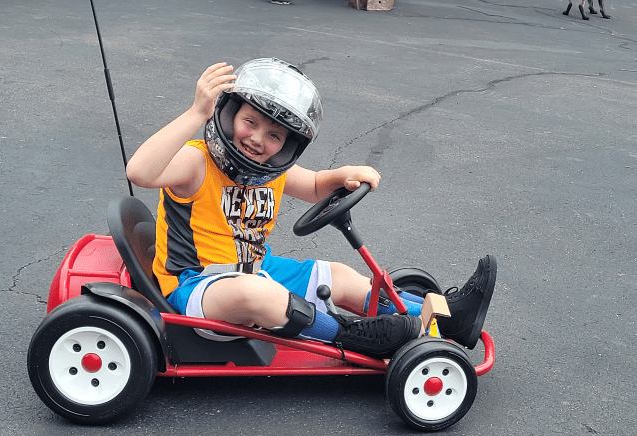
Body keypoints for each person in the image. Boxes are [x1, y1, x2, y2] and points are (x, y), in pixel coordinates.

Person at [126, 58, 496, 358]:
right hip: (196, 287)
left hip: (259, 269)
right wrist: (195, 112)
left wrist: (343, 175)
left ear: (287, 146)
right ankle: (351, 335)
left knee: (340, 275)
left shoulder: (270, 173)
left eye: (274, 136)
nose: (257, 139)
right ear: (227, 115)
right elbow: (139, 171)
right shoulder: (196, 164)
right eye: (249, 122)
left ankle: (446, 318)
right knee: (255, 294)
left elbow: (317, 186)